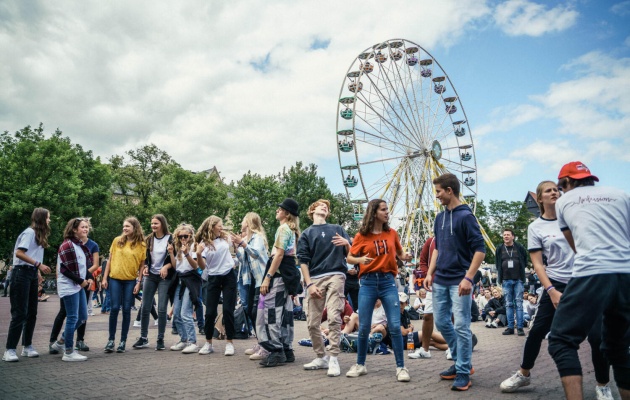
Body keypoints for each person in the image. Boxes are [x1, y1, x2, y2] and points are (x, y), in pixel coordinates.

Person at [547, 162, 630, 400]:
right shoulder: (622, 195)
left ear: (567, 183)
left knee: (561, 340)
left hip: (591, 272)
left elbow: (575, 245)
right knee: (618, 348)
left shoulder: (563, 201)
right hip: (625, 273)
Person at [424, 173, 485, 391]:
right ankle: (462, 362)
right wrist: (430, 272)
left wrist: (469, 277)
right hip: (440, 278)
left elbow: (480, 250)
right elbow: (437, 248)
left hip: (460, 279)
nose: (437, 195)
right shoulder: (440, 218)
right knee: (441, 322)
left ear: (450, 191)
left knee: (461, 325)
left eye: (439, 191)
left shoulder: (466, 216)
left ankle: (462, 371)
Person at [345, 198, 413, 382]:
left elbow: (400, 253)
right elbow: (350, 257)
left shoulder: (392, 233)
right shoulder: (362, 235)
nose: (387, 212)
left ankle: (401, 367)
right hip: (367, 282)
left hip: (387, 281)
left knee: (394, 325)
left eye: (387, 210)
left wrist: (406, 256)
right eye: (383, 210)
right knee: (364, 326)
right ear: (374, 212)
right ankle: (360, 364)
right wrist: (360, 261)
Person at [298, 199, 351, 377]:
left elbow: (352, 258)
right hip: (315, 277)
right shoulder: (306, 234)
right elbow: (303, 261)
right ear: (312, 210)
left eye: (326, 207)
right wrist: (309, 284)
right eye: (320, 205)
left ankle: (334, 357)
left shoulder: (338, 229)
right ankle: (321, 356)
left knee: (335, 316)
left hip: (336, 273)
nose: (324, 207)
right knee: (312, 322)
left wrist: (347, 245)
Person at [3, 208, 52, 362]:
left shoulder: (39, 236)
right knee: (19, 312)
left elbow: (32, 255)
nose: (50, 220)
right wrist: (39, 265)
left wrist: (37, 274)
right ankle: (9, 349)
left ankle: (27, 346)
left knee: (32, 312)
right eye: (48, 218)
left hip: (30, 274)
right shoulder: (30, 233)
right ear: (42, 218)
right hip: (21, 274)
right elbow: (19, 253)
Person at [257, 198, 302, 367]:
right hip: (289, 273)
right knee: (285, 312)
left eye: (280, 209)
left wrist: (268, 277)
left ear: (287, 213)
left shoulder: (283, 229)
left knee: (271, 311)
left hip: (279, 274)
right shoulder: (293, 230)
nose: (277, 211)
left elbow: (279, 255)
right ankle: (286, 349)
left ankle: (276, 350)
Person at [102, 217, 146, 354]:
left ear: (135, 228)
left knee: (126, 309)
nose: (124, 228)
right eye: (124, 226)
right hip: (114, 278)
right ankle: (111, 340)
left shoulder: (142, 245)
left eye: (127, 226)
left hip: (130, 280)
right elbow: (109, 261)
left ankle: (122, 341)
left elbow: (142, 265)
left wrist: (139, 282)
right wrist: (104, 278)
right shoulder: (117, 241)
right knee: (114, 308)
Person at [196, 215, 237, 356]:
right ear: (212, 226)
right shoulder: (203, 244)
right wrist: (198, 254)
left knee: (228, 310)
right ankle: (208, 343)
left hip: (228, 276)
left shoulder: (225, 238)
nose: (222, 226)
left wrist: (238, 247)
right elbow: (202, 266)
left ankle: (230, 343)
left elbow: (237, 247)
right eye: (220, 224)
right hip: (213, 277)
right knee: (210, 312)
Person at [54, 218, 94, 361]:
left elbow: (84, 267)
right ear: (74, 229)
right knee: (72, 317)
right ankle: (69, 352)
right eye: (83, 227)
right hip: (69, 286)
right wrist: (81, 281)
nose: (86, 229)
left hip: (78, 285)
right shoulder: (67, 245)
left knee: (82, 316)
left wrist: (88, 277)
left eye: (87, 227)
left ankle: (61, 342)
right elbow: (65, 270)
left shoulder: (80, 246)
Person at [133, 215, 174, 351]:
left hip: (164, 277)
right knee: (145, 306)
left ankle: (160, 338)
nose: (153, 226)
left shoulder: (170, 238)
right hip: (150, 276)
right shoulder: (149, 239)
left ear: (162, 224)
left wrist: (166, 267)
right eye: (152, 224)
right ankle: (143, 338)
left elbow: (174, 261)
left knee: (162, 309)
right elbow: (144, 259)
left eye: (156, 223)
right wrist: (145, 267)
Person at [231, 212, 269, 360]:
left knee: (256, 312)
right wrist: (237, 247)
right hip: (247, 279)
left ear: (248, 222)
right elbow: (243, 260)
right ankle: (260, 343)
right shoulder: (246, 239)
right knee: (248, 309)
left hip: (259, 279)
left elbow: (256, 254)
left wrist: (242, 244)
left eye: (243, 220)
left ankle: (265, 346)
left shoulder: (258, 237)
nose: (241, 223)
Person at [169, 224, 202, 354]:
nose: (183, 238)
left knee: (185, 313)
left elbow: (195, 266)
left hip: (190, 280)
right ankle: (183, 340)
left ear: (190, 235)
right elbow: (175, 266)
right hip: (180, 280)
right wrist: (171, 253)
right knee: (176, 314)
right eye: (180, 236)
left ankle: (192, 342)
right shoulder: (178, 248)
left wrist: (187, 253)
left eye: (185, 236)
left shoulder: (194, 246)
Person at [495, 228, 528, 336]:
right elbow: (497, 263)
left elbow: (525, 260)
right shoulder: (500, 248)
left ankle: (520, 328)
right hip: (505, 280)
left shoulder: (519, 247)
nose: (506, 236)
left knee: (519, 303)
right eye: (504, 235)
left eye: (508, 235)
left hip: (518, 279)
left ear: (513, 236)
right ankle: (510, 327)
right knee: (508, 304)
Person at [409, 236, 435, 359]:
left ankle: (453, 347)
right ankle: (425, 349)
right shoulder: (431, 241)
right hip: (433, 284)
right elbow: (423, 260)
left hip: (450, 281)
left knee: (450, 316)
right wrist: (428, 274)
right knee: (428, 315)